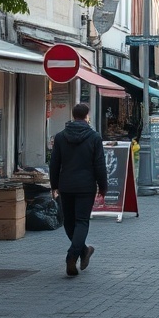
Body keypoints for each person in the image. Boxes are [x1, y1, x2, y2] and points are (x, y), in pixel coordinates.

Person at [49, 103, 108, 277]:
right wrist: (103, 186)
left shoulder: (60, 137)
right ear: (87, 116)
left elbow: (54, 164)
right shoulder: (94, 137)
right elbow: (99, 165)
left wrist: (54, 185)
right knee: (81, 221)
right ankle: (73, 254)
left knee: (68, 222)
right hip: (86, 186)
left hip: (66, 185)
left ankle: (82, 251)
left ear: (73, 115)